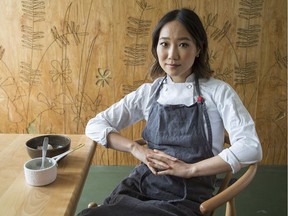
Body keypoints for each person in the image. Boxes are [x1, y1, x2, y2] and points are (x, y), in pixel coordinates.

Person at [78, 8, 262, 216]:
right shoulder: (149, 92)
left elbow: (251, 147)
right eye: (164, 44)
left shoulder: (219, 92)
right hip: (141, 186)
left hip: (187, 196)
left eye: (183, 44)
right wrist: (134, 149)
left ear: (199, 48)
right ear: (156, 47)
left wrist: (190, 169)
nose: (172, 55)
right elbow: (95, 125)